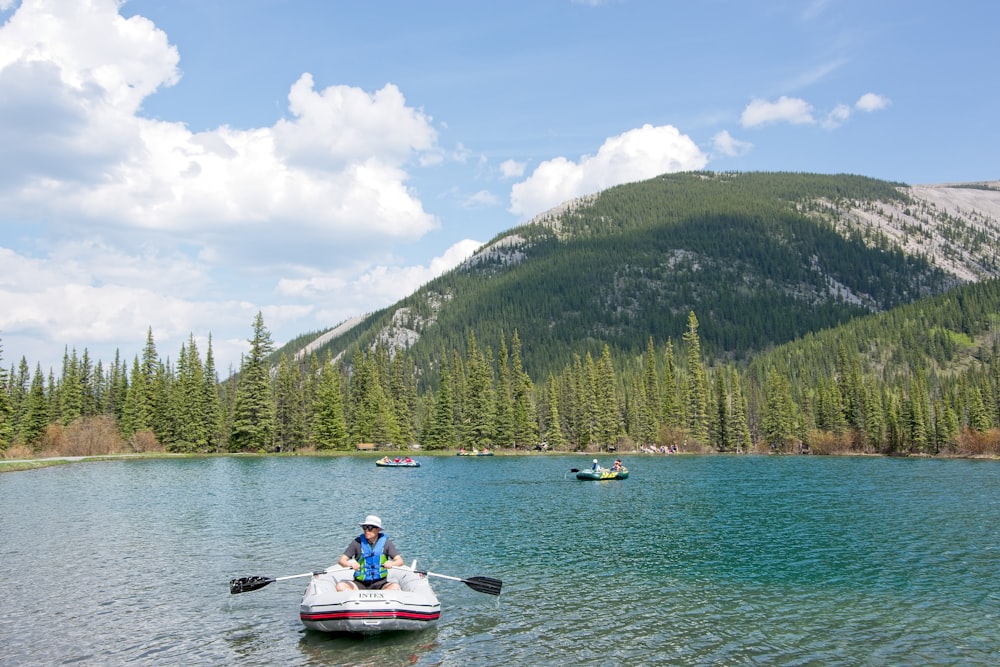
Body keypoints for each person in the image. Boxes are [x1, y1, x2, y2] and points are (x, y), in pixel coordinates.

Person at [335, 515, 405, 591]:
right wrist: (350, 564)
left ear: (378, 529)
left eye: (370, 528)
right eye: (364, 527)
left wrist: (392, 564)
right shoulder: (357, 542)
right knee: (340, 586)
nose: (366, 530)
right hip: (360, 583)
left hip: (380, 583)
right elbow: (341, 560)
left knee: (395, 587)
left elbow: (400, 561)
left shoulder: (386, 543)